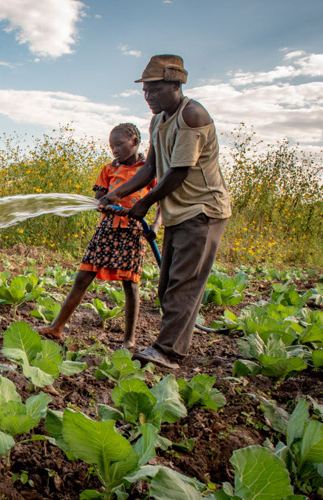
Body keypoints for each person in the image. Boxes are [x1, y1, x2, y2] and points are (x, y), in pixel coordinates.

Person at [99, 54, 232, 370]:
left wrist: (144, 204)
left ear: (176, 85)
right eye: (145, 90)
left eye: (155, 90)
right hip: (179, 211)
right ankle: (171, 345)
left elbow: (178, 172)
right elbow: (151, 168)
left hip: (203, 210)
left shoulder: (192, 116)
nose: (148, 97)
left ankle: (169, 352)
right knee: (168, 284)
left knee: (183, 285)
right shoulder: (158, 120)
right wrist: (117, 193)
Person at [37, 123, 160, 349]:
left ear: (135, 141)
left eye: (119, 144)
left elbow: (161, 201)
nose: (115, 149)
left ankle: (129, 340)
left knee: (131, 285)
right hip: (106, 229)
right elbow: (99, 196)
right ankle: (57, 327)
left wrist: (156, 224)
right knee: (83, 277)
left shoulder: (148, 170)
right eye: (112, 146)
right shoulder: (109, 169)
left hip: (133, 231)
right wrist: (102, 202)